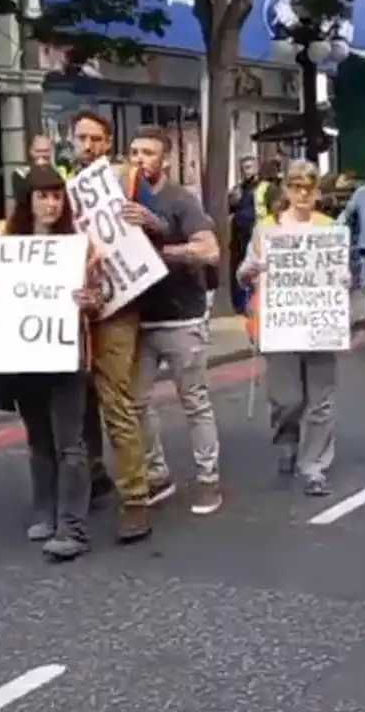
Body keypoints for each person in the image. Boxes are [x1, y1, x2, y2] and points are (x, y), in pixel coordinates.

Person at [0, 165, 102, 560]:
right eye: (42, 195)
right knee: (39, 441)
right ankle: (45, 512)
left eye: (56, 196)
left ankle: (73, 528)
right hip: (24, 357)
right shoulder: (6, 246)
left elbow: (100, 299)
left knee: (70, 443)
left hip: (67, 358)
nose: (50, 203)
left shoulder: (81, 246)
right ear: (28, 201)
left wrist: (90, 300)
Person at [68, 109, 158, 542]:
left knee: (114, 399)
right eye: (81, 138)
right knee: (78, 397)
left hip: (117, 306)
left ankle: (135, 498)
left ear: (107, 144)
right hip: (72, 308)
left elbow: (161, 227)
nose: (87, 146)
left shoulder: (126, 181)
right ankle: (94, 474)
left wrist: (148, 218)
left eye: (96, 139)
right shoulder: (61, 188)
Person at [238, 160, 349, 496]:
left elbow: (343, 272)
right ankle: (286, 436)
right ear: (286, 189)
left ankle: (313, 466)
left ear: (317, 192)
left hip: (318, 326)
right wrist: (251, 270)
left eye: (310, 186)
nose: (303, 193)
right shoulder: (266, 229)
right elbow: (243, 273)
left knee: (322, 400)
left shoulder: (329, 228)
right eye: (297, 186)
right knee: (288, 399)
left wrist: (345, 279)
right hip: (281, 326)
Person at [129, 126, 224, 514]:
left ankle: (208, 480)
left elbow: (210, 251)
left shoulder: (180, 200)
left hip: (181, 317)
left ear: (164, 159)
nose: (139, 160)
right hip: (139, 318)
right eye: (134, 152)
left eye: (148, 153)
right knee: (134, 404)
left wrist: (159, 237)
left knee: (194, 401)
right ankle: (157, 474)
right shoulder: (121, 197)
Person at [228, 156, 262, 313]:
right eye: (243, 168)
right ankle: (241, 304)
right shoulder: (238, 190)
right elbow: (229, 210)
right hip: (240, 236)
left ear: (256, 168)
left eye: (249, 167)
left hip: (257, 233)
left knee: (256, 269)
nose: (246, 171)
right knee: (241, 268)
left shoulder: (263, 187)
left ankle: (254, 303)